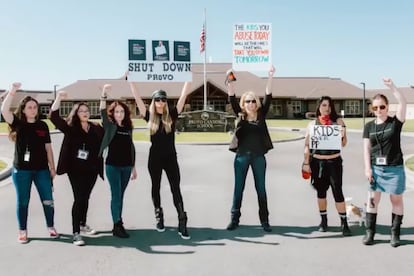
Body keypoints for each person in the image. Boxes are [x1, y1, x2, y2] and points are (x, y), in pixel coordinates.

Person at [129, 80, 192, 239]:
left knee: (175, 188)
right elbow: (136, 98)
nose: (160, 102)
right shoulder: (149, 116)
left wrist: (188, 79)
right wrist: (132, 81)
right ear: (153, 101)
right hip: (155, 158)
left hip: (171, 157)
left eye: (163, 99)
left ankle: (182, 220)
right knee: (155, 187)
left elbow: (183, 96)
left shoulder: (172, 114)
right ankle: (159, 214)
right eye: (157, 99)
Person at [1, 82, 59, 243]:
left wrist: (52, 168)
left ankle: (51, 226)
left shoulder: (43, 125)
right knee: (23, 201)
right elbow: (4, 110)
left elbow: (48, 148)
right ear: (24, 109)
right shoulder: (18, 123)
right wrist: (12, 90)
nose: (33, 109)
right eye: (29, 107)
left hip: (42, 170)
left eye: (35, 107)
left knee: (48, 200)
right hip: (22, 171)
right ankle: (22, 230)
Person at [50, 91, 104, 246]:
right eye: (81, 111)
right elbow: (53, 116)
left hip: (92, 169)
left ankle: (82, 223)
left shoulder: (95, 128)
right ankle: (76, 233)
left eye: (87, 111)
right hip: (76, 170)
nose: (85, 113)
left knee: (85, 198)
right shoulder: (70, 128)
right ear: (76, 113)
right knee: (79, 198)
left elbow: (107, 133)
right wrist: (59, 98)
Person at [225, 66, 275, 232]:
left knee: (261, 188)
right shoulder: (240, 115)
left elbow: (268, 95)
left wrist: (270, 76)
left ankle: (265, 220)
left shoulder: (261, 114)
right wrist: (230, 79)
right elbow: (231, 96)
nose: (251, 103)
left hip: (258, 157)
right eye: (248, 101)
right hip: (241, 157)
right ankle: (234, 219)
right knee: (238, 188)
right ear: (243, 104)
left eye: (254, 100)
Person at [362, 78, 407, 247]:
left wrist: (392, 86)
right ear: (372, 109)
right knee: (372, 200)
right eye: (375, 107)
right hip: (376, 170)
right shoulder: (369, 126)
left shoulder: (395, 123)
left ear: (387, 107)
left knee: (396, 201)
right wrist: (368, 169)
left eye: (382, 106)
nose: (379, 110)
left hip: (394, 169)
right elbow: (366, 149)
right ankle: (370, 232)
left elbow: (402, 102)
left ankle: (395, 234)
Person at [303, 96, 350, 236]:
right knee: (321, 193)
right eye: (324, 105)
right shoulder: (312, 125)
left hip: (334, 162)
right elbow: (307, 145)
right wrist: (306, 163)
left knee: (338, 192)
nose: (327, 108)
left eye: (329, 105)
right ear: (319, 106)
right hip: (318, 163)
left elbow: (343, 144)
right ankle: (324, 220)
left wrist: (343, 134)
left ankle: (344, 222)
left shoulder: (338, 122)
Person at [99, 84, 137, 238]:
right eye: (116, 111)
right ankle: (117, 224)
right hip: (112, 166)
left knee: (120, 195)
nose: (119, 114)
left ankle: (118, 221)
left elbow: (130, 147)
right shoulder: (109, 126)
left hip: (127, 167)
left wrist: (133, 167)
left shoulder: (128, 127)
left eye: (122, 111)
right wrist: (103, 94)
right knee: (116, 194)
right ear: (113, 113)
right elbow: (102, 111)